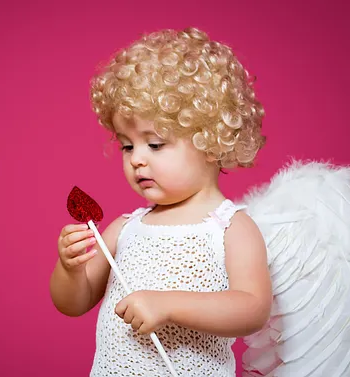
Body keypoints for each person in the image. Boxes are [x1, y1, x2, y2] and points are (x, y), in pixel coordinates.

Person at [50, 27, 273, 376]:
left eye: (154, 145)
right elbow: (73, 303)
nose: (137, 158)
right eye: (127, 145)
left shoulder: (229, 227)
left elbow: (253, 308)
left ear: (210, 140)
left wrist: (169, 305)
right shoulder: (125, 229)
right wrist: (70, 269)